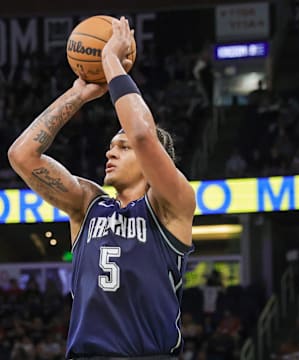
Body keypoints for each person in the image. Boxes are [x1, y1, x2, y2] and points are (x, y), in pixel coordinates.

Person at [8, 17, 196, 360]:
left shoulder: (172, 205)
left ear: (151, 160)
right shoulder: (89, 205)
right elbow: (21, 155)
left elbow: (142, 134)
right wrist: (77, 95)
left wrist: (109, 60)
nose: (110, 151)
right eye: (111, 145)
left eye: (122, 147)